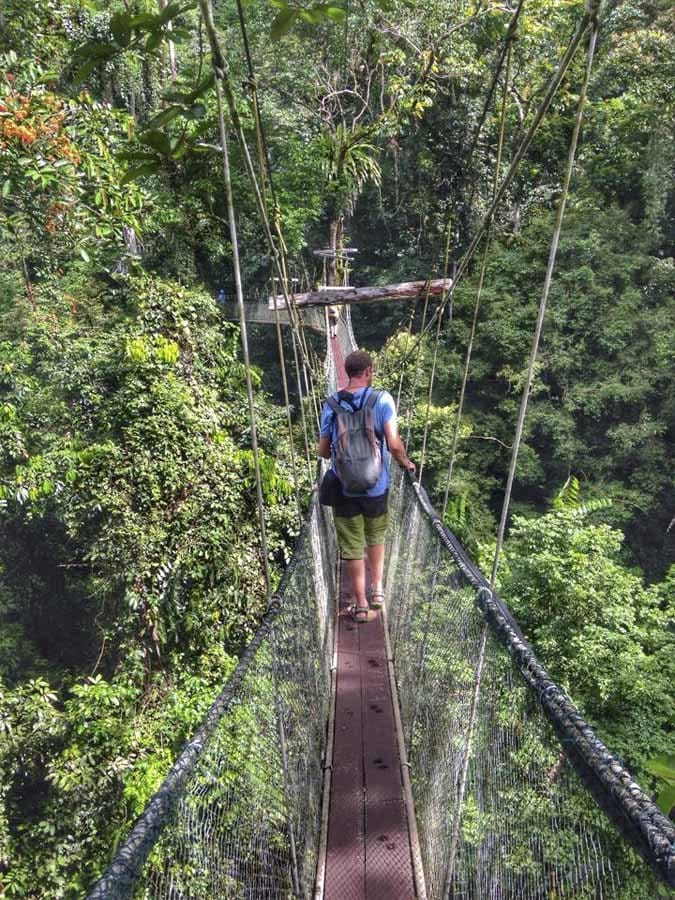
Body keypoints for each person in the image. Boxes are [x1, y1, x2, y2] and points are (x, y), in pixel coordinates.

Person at [318, 350, 416, 623]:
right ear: (369, 371)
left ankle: (361, 605)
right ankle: (378, 591)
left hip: (344, 488)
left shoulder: (331, 404)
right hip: (376, 485)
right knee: (376, 537)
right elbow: (394, 444)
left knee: (351, 546)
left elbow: (324, 451)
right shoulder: (382, 399)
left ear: (348, 372)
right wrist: (406, 462)